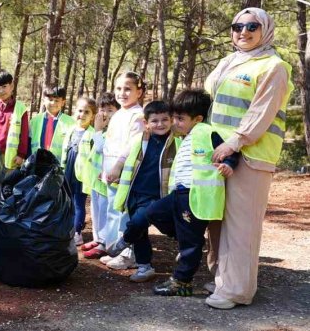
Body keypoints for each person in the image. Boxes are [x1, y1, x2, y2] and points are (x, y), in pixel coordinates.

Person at [204, 8, 294, 309]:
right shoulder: (229, 61)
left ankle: (236, 290)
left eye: (251, 26)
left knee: (241, 225)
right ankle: (221, 278)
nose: (243, 31)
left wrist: (236, 141)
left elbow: (263, 111)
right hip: (218, 153)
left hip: (250, 156)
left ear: (265, 29)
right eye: (237, 26)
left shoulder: (273, 66)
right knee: (216, 219)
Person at [109, 89, 239, 297]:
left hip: (195, 197)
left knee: (190, 243)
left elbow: (229, 151)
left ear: (197, 119)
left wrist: (229, 165)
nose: (174, 123)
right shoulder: (186, 136)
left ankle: (182, 282)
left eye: (179, 118)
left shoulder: (207, 132)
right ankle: (140, 237)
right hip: (178, 194)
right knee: (152, 213)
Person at [104, 100, 177, 282]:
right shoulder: (140, 139)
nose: (160, 124)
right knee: (140, 231)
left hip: (157, 195)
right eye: (155, 121)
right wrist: (115, 169)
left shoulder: (175, 141)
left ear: (171, 120)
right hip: (134, 192)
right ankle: (145, 266)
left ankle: (124, 240)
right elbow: (124, 156)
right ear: (146, 123)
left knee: (137, 223)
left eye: (164, 120)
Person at [83, 72, 145, 263]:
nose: (122, 93)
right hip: (110, 171)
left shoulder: (138, 115)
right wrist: (106, 168)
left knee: (124, 211)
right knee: (112, 209)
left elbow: (134, 145)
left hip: (125, 171)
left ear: (139, 91)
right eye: (119, 88)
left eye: (128, 89)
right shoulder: (119, 114)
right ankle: (115, 249)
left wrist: (118, 167)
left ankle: (128, 254)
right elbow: (109, 145)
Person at [81, 93, 119, 249]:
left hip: (108, 179)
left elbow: (100, 148)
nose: (105, 114)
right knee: (96, 210)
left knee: (105, 210)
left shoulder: (112, 131)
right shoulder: (101, 129)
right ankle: (97, 239)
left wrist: (97, 130)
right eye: (102, 109)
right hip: (96, 179)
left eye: (110, 110)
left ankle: (105, 242)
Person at [59, 96, 96, 247]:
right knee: (66, 202)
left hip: (81, 175)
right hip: (67, 171)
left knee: (78, 203)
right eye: (80, 110)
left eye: (87, 112)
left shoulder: (93, 134)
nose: (82, 114)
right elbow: (65, 152)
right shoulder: (71, 130)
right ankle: (66, 228)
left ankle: (77, 232)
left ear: (93, 116)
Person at [30, 86, 76, 161]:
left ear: (63, 102)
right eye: (50, 99)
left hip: (59, 166)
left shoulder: (70, 123)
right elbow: (29, 143)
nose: (53, 103)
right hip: (36, 163)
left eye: (57, 100)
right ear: (43, 100)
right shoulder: (34, 121)